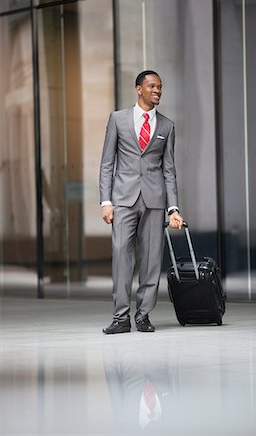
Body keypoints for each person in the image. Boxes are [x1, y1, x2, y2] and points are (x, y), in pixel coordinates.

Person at [100, 70, 183, 334]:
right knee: (121, 257)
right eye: (152, 86)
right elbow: (107, 163)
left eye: (160, 87)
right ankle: (120, 317)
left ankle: (143, 315)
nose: (157, 90)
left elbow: (169, 170)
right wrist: (106, 201)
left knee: (151, 261)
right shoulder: (117, 119)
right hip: (123, 200)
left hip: (154, 201)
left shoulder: (167, 126)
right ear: (138, 89)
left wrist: (174, 208)